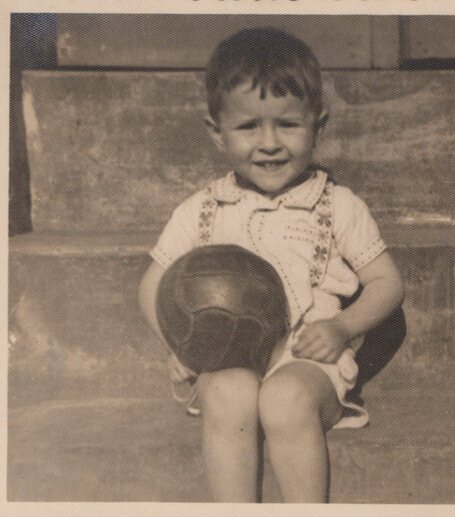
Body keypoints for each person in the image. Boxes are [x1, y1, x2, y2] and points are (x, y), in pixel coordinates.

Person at [138, 27, 404, 503]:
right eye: (248, 127)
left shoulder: (337, 205)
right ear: (217, 132)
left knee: (285, 399)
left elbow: (386, 282)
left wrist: (342, 327)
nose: (269, 143)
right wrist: (181, 345)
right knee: (227, 393)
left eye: (287, 124)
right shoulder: (202, 208)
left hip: (308, 361)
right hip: (227, 359)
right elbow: (151, 285)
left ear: (318, 125)